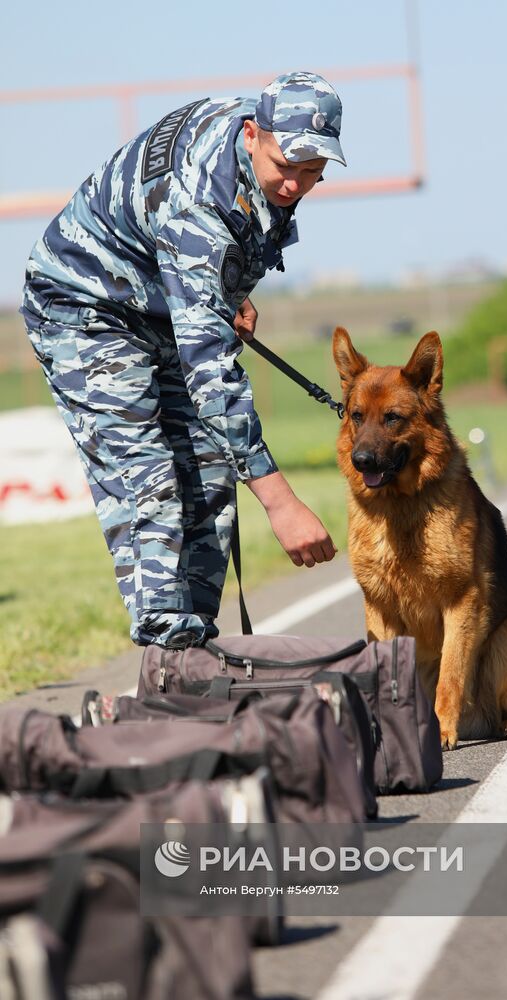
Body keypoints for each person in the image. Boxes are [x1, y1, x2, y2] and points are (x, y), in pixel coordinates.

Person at [21, 71, 345, 649]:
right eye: (284, 166)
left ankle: (192, 656)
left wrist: (225, 290)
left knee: (209, 472)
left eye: (311, 172)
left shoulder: (262, 133)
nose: (294, 185)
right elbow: (211, 372)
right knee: (148, 482)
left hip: (155, 303)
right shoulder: (198, 201)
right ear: (253, 133)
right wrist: (282, 502)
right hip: (84, 307)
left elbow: (210, 254)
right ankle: (170, 660)